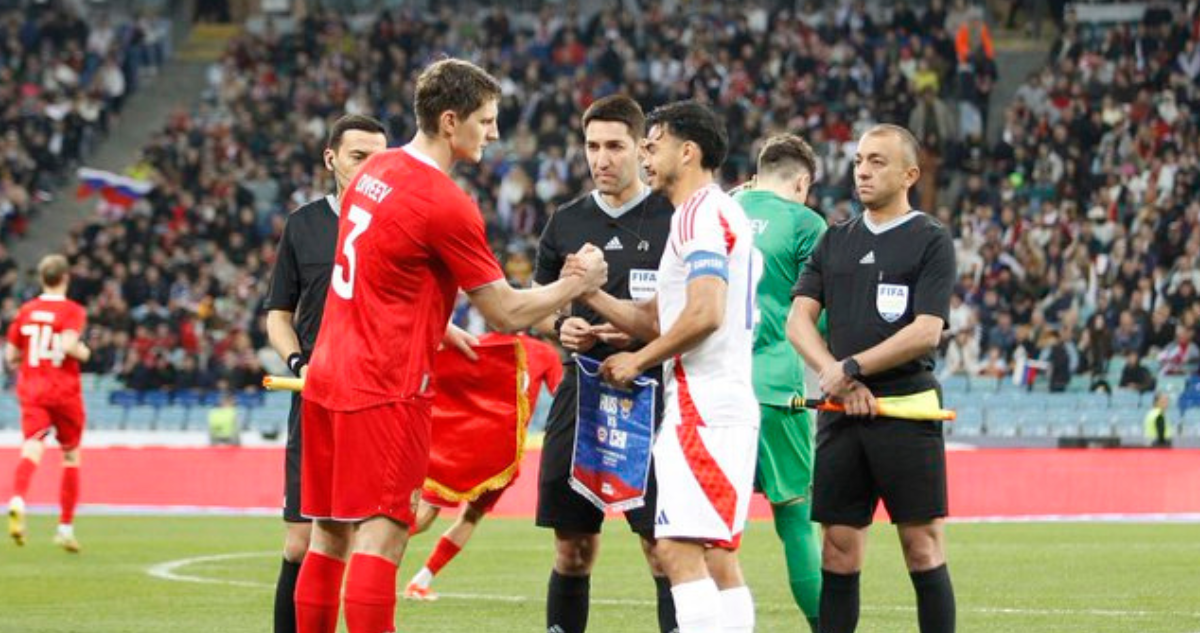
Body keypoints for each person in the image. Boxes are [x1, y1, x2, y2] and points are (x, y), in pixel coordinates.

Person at [292, 58, 606, 633]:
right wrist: (575, 284)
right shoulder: (444, 202)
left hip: (326, 374)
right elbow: (506, 311)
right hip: (384, 386)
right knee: (382, 536)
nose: (493, 133)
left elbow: (369, 268)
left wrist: (436, 324)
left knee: (327, 535)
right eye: (485, 121)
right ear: (449, 120)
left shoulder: (373, 170)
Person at [583, 100, 761, 633]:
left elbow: (704, 313)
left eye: (652, 143)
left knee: (676, 552)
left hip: (703, 408)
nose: (644, 152)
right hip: (711, 406)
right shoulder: (715, 212)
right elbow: (661, 319)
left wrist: (637, 360)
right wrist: (590, 295)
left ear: (688, 151)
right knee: (715, 558)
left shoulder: (699, 213)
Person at [787, 123, 957, 633]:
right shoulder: (835, 238)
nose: (862, 169)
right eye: (860, 159)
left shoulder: (931, 239)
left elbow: (926, 331)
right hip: (842, 410)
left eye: (877, 161)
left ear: (910, 173)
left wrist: (853, 368)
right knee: (838, 549)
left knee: (921, 546)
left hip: (906, 407)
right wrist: (834, 376)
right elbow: (798, 321)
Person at [531, 94, 677, 633]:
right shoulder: (566, 222)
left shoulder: (672, 217)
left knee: (662, 549)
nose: (602, 159)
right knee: (572, 549)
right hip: (582, 394)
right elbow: (539, 303)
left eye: (614, 146)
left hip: (653, 397)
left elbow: (692, 315)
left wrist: (641, 340)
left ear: (642, 149)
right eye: (592, 146)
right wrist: (559, 325)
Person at [263, 114, 388, 633]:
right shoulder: (304, 224)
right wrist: (299, 363)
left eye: (380, 158)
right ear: (331, 159)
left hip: (375, 398)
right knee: (301, 541)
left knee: (366, 540)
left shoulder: (396, 222)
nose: (370, 168)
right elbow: (278, 316)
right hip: (313, 397)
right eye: (360, 156)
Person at [732, 134, 825, 631]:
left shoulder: (718, 207)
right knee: (793, 521)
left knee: (717, 530)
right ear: (802, 182)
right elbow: (821, 315)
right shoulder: (806, 222)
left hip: (715, 391)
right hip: (776, 387)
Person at [404, 330, 563, 601]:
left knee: (424, 517)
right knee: (469, 518)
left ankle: (371, 554)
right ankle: (418, 579)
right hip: (502, 458)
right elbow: (562, 397)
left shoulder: (479, 342)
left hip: (465, 448)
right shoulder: (544, 353)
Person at [6, 254, 92, 552]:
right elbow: (69, 345)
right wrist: (85, 353)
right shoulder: (71, 311)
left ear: (42, 278)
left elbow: (10, 356)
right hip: (64, 390)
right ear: (65, 278)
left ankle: (17, 498)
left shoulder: (26, 311)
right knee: (70, 456)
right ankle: (65, 528)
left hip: (32, 388)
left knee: (32, 446)